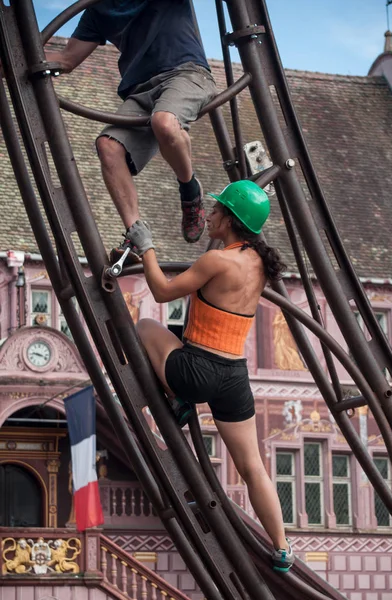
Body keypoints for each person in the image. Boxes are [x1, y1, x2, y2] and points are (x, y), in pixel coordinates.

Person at [127, 179, 295, 573]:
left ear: (231, 221)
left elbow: (163, 291)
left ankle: (177, 397)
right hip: (234, 378)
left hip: (196, 370)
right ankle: (283, 547)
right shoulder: (258, 264)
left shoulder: (217, 260)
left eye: (217, 210)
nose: (211, 214)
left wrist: (146, 246)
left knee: (146, 329)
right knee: (253, 466)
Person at [45, 0, 217, 264]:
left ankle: (190, 191)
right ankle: (137, 236)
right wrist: (15, 62)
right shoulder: (98, 10)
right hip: (140, 91)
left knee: (165, 122)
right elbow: (67, 59)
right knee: (108, 146)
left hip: (186, 74)